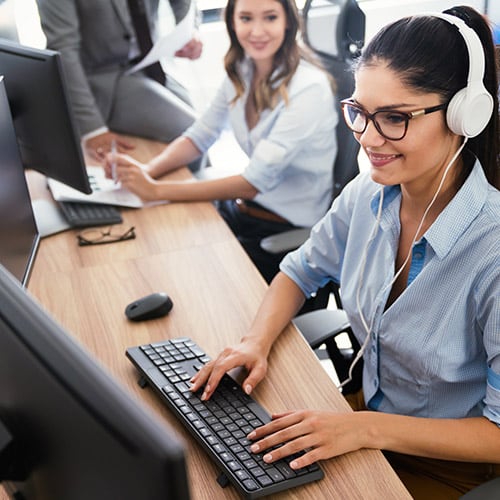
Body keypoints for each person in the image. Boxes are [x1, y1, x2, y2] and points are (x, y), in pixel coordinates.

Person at [190, 5, 500, 498]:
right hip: (362, 420)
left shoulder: (493, 253)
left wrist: (364, 428)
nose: (369, 139)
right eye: (359, 112)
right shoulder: (369, 192)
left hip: (447, 466)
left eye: (395, 118)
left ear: (466, 114)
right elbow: (299, 271)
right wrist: (255, 341)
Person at [107, 0, 338, 284]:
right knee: (157, 244)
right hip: (244, 210)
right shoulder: (242, 69)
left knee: (186, 277)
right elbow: (201, 134)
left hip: (281, 230)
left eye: (269, 18)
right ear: (232, 22)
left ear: (288, 21)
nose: (257, 31)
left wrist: (156, 190)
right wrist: (146, 171)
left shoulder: (309, 88)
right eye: (246, 18)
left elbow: (253, 183)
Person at [36, 0, 202, 165]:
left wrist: (188, 31)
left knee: (204, 134)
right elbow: (63, 51)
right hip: (101, 78)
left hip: (150, 62)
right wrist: (92, 130)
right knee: (191, 135)